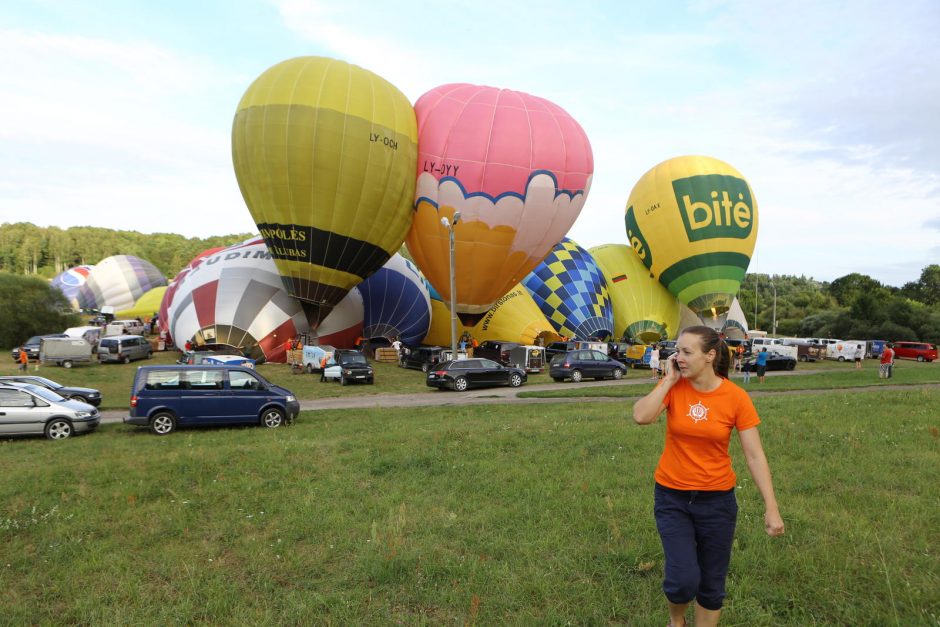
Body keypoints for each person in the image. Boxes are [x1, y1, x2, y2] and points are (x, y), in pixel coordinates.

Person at [632, 326, 784, 627]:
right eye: (678, 351)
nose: (679, 357)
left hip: (717, 502)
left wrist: (771, 506)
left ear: (710, 356)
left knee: (712, 585)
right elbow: (641, 416)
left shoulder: (735, 397)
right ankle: (677, 622)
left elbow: (754, 455)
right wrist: (667, 380)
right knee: (682, 580)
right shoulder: (674, 387)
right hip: (672, 497)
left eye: (687, 352)